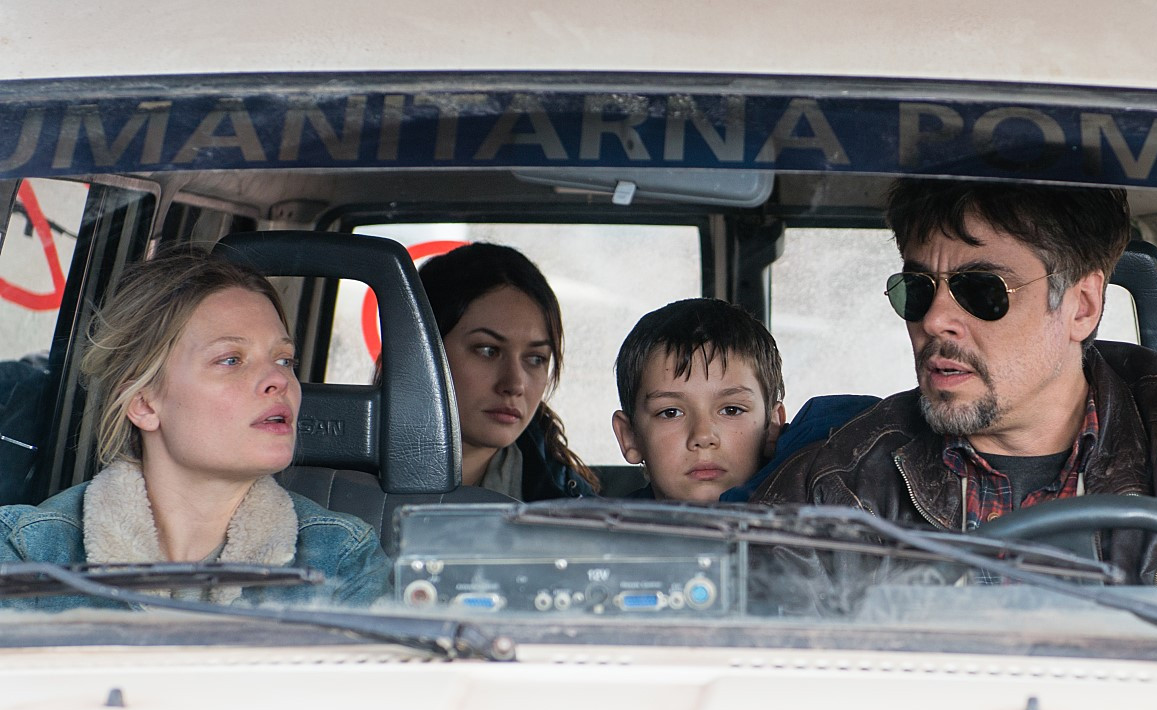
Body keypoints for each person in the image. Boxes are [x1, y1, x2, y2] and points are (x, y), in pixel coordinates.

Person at [754, 178, 1157, 588]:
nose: (935, 320)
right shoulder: (835, 490)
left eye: (982, 291)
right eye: (918, 289)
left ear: (1082, 306)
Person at [0, 252, 391, 610]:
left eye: (284, 359)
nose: (278, 379)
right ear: (144, 404)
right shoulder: (26, 552)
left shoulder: (342, 558)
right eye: (231, 359)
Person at [419, 242, 598, 500]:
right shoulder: (353, 482)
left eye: (536, 359)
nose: (514, 384)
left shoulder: (569, 507)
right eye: (488, 350)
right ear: (420, 351)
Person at [611, 298, 788, 501]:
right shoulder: (600, 523)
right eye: (670, 413)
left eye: (731, 410)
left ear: (773, 427)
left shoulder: (808, 516)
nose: (703, 436)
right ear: (629, 436)